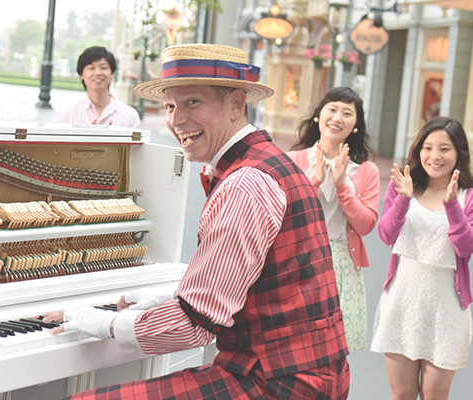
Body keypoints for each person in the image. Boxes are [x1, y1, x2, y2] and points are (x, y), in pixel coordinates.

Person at [43, 44, 349, 399]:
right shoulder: (267, 162)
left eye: (192, 102)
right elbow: (247, 283)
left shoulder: (245, 184)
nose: (174, 120)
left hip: (277, 383)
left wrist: (100, 321)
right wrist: (169, 297)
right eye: (170, 106)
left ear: (236, 103)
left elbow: (193, 325)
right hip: (311, 372)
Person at [371, 116, 473, 400]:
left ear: (458, 154)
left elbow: (466, 248)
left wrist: (452, 206)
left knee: (434, 395)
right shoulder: (403, 186)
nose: (435, 156)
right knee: (402, 393)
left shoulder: (467, 196)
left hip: (447, 310)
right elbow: (386, 235)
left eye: (445, 149)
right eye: (427, 148)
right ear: (418, 151)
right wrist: (403, 199)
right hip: (402, 301)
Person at [287, 87, 379, 352]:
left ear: (356, 126)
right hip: (298, 259)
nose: (338, 117)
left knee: (331, 350)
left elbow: (366, 225)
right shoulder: (293, 160)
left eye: (347, 113)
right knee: (294, 345)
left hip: (341, 265)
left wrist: (342, 186)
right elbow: (285, 213)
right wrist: (314, 179)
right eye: (333, 109)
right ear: (319, 116)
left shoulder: (366, 170)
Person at [56, 46, 140, 128]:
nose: (98, 73)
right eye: (91, 68)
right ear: (81, 74)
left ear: (112, 74)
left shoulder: (129, 116)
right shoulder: (68, 115)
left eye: (103, 67)